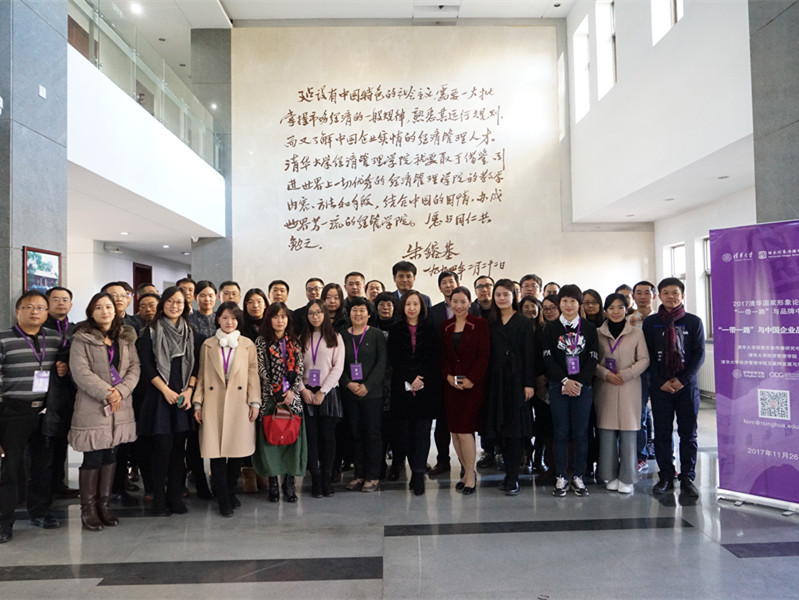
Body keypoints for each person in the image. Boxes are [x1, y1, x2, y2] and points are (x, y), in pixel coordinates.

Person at [68, 292, 140, 530]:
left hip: (120, 407)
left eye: (108, 307)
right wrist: (107, 393)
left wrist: (121, 391)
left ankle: (105, 506)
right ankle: (88, 510)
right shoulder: (82, 339)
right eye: (98, 307)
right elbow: (80, 372)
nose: (104, 311)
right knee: (93, 457)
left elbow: (134, 368)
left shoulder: (125, 338)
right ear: (91, 312)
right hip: (93, 405)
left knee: (111, 456)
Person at [0, 291, 65, 543]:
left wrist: (63, 368)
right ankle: (4, 521)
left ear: (47, 313)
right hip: (12, 411)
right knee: (9, 468)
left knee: (42, 465)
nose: (35, 311)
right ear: (18, 311)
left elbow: (62, 369)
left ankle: (40, 512)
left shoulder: (55, 339)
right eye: (29, 307)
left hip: (44, 411)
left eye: (40, 307)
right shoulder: (4, 339)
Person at [193, 302, 260, 517]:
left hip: (240, 404)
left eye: (233, 318)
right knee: (216, 454)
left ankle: (231, 491)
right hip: (213, 403)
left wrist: (255, 402)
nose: (229, 322)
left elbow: (253, 375)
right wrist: (198, 403)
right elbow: (201, 375)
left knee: (236, 453)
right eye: (224, 317)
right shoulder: (208, 344)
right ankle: (222, 497)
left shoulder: (247, 344)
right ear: (218, 319)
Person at [137, 286, 199, 516]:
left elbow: (196, 365)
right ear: (163, 304)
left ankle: (174, 495)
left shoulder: (190, 332)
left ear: (185, 306)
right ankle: (158, 498)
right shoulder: (151, 331)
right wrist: (165, 390)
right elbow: (146, 364)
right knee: (161, 450)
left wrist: (189, 391)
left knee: (178, 451)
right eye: (171, 301)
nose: (175, 305)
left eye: (179, 302)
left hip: (183, 396)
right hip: (159, 396)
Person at [642, 278, 705, 498]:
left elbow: (699, 354)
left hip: (686, 387)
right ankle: (666, 476)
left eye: (675, 292)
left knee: (688, 434)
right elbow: (647, 354)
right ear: (659, 296)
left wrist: (683, 380)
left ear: (682, 295)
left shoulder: (693, 322)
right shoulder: (650, 323)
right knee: (662, 433)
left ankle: (687, 477)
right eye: (666, 293)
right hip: (660, 387)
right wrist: (661, 381)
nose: (671, 296)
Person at [543, 284, 599, 498]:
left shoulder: (589, 328)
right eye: (564, 301)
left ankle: (578, 475)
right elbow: (548, 358)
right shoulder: (550, 328)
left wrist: (579, 382)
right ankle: (561, 476)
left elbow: (593, 357)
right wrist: (565, 381)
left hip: (583, 387)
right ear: (559, 303)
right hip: (559, 386)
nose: (568, 305)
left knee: (581, 433)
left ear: (579, 304)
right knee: (560, 432)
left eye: (573, 301)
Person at [483, 279, 536, 496]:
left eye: (506, 294)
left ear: (514, 296)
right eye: (498, 295)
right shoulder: (490, 321)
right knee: (501, 431)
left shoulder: (523, 322)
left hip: (516, 382)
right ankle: (507, 474)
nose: (502, 298)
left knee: (514, 431)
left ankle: (514, 477)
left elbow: (529, 355)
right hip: (495, 382)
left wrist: (528, 383)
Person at [594, 293, 650, 494]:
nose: (615, 312)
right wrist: (605, 374)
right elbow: (591, 360)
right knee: (607, 432)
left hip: (629, 387)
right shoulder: (597, 333)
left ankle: (627, 477)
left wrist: (626, 374)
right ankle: (609, 475)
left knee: (629, 433)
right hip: (605, 386)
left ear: (627, 309)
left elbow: (644, 359)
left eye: (620, 307)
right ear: (605, 311)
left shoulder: (636, 333)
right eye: (611, 308)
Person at [387, 291, 439, 495]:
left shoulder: (431, 328)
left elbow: (434, 358)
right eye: (408, 304)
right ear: (403, 306)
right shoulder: (396, 330)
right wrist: (410, 378)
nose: (412, 308)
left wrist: (421, 379)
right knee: (406, 433)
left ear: (421, 307)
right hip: (402, 387)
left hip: (426, 388)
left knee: (423, 432)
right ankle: (413, 467)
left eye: (415, 304)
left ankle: (418, 473)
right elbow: (394, 359)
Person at [253, 302, 306, 503]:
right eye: (275, 316)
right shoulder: (261, 341)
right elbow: (261, 369)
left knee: (291, 440)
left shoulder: (295, 341)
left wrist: (292, 391)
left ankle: (289, 483)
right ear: (269, 319)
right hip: (270, 399)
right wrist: (274, 392)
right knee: (271, 441)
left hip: (292, 399)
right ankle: (273, 483)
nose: (280, 320)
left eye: (283, 316)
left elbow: (300, 369)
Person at [439, 286, 490, 495]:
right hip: (451, 386)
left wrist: (472, 379)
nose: (458, 305)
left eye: (463, 301)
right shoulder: (445, 326)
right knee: (455, 431)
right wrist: (448, 376)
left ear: (470, 302)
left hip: (472, 386)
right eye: (455, 301)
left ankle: (470, 474)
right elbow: (442, 356)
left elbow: (484, 356)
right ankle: (466, 472)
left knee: (465, 431)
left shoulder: (479, 324)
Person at [339, 297, 387, 493]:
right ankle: (359, 474)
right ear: (349, 313)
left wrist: (367, 386)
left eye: (362, 310)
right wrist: (348, 383)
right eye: (354, 310)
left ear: (369, 314)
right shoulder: (341, 335)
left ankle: (373, 476)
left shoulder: (376, 334)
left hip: (372, 394)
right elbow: (336, 364)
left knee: (372, 434)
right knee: (355, 434)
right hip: (349, 394)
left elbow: (382, 363)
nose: (358, 314)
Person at [298, 300, 344, 498]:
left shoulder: (335, 337)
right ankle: (315, 479)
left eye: (318, 312)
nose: (315, 316)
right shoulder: (301, 338)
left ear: (325, 314)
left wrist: (322, 391)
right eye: (311, 313)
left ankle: (327, 478)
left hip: (328, 392)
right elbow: (295, 368)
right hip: (307, 393)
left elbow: (338, 367)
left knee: (328, 438)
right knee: (311, 438)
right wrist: (302, 389)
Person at [42, 286, 79, 500]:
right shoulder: (41, 329)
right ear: (48, 303)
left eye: (65, 299)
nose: (61, 303)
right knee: (43, 445)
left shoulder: (76, 330)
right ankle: (41, 491)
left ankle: (58, 484)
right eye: (56, 299)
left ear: (71, 305)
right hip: (45, 394)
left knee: (61, 441)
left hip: (69, 393)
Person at [427, 270, 460, 477]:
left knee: (464, 421)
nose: (448, 285)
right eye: (444, 283)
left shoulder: (471, 308)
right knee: (442, 421)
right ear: (440, 288)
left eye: (451, 282)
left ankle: (466, 463)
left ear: (458, 283)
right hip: (441, 373)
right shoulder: (434, 312)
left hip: (465, 373)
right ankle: (442, 460)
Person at [630, 280, 658, 472]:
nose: (642, 296)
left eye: (647, 292)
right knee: (639, 415)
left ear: (654, 296)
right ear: (633, 296)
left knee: (662, 416)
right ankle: (641, 456)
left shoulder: (661, 319)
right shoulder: (628, 320)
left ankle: (667, 458)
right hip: (637, 373)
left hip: (659, 373)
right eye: (638, 293)